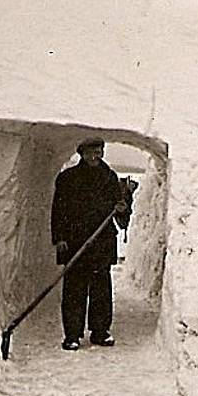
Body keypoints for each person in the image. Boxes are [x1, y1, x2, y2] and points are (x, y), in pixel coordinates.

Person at [50, 137, 132, 351]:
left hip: (102, 241)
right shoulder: (67, 178)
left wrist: (123, 208)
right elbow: (58, 210)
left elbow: (119, 209)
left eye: (98, 151)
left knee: (101, 289)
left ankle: (100, 331)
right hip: (76, 241)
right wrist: (59, 238)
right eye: (90, 152)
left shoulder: (109, 177)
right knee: (74, 290)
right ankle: (72, 335)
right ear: (81, 154)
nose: (95, 156)